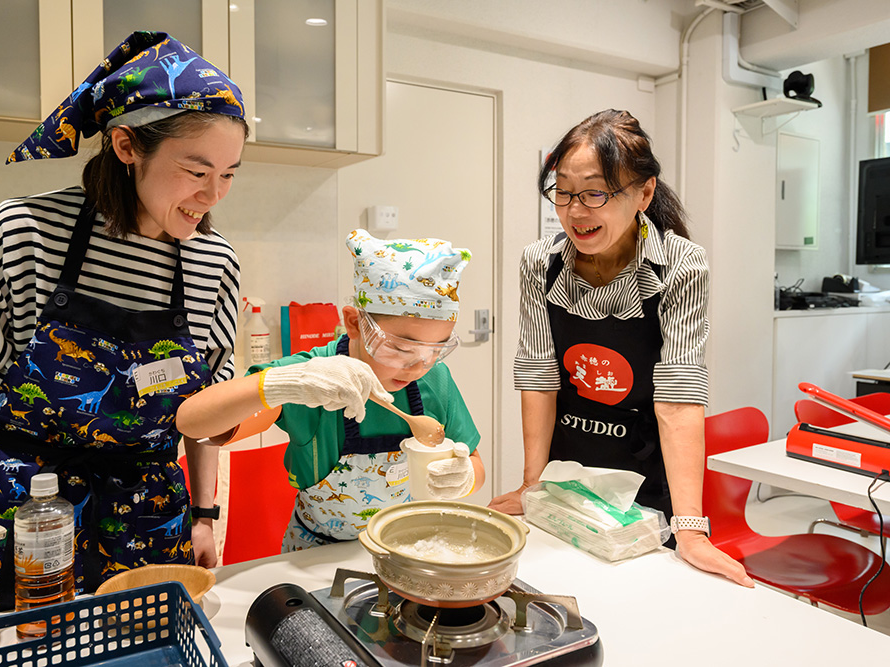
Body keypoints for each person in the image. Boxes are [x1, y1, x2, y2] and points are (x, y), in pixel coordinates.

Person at [0, 31, 248, 610]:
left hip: (148, 518)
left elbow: (205, 410)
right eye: (197, 171)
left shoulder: (213, 263)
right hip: (23, 510)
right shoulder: (22, 234)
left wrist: (204, 515)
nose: (213, 196)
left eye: (229, 174)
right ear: (126, 146)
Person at [487, 109, 753, 587]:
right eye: (563, 192)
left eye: (595, 192)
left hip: (646, 475)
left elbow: (678, 396)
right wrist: (534, 486)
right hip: (566, 472)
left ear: (644, 193)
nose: (574, 210)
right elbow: (539, 376)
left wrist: (690, 530)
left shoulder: (680, 266)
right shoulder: (539, 262)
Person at [177, 229, 485, 551]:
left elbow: (476, 464)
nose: (418, 367)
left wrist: (464, 478)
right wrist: (285, 385)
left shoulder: (436, 381)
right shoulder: (311, 378)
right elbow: (193, 422)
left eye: (435, 351)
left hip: (405, 548)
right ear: (354, 323)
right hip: (318, 555)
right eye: (399, 348)